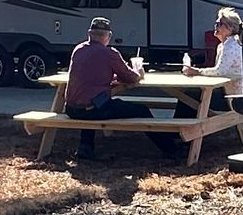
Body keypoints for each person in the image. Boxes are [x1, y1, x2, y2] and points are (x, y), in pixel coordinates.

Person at [62, 17, 170, 160]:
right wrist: (139, 72)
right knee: (142, 110)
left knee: (90, 100)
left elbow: (90, 75)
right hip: (92, 109)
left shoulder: (79, 50)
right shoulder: (109, 53)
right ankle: (170, 149)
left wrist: (110, 78)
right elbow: (132, 77)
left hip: (71, 109)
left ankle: (85, 147)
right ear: (108, 36)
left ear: (89, 34)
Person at [182, 8, 243, 110]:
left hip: (233, 98)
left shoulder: (231, 47)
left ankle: (185, 125)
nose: (215, 26)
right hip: (226, 91)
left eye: (219, 24)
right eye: (216, 23)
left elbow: (220, 71)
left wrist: (197, 71)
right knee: (191, 95)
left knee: (189, 95)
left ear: (230, 28)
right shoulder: (223, 45)